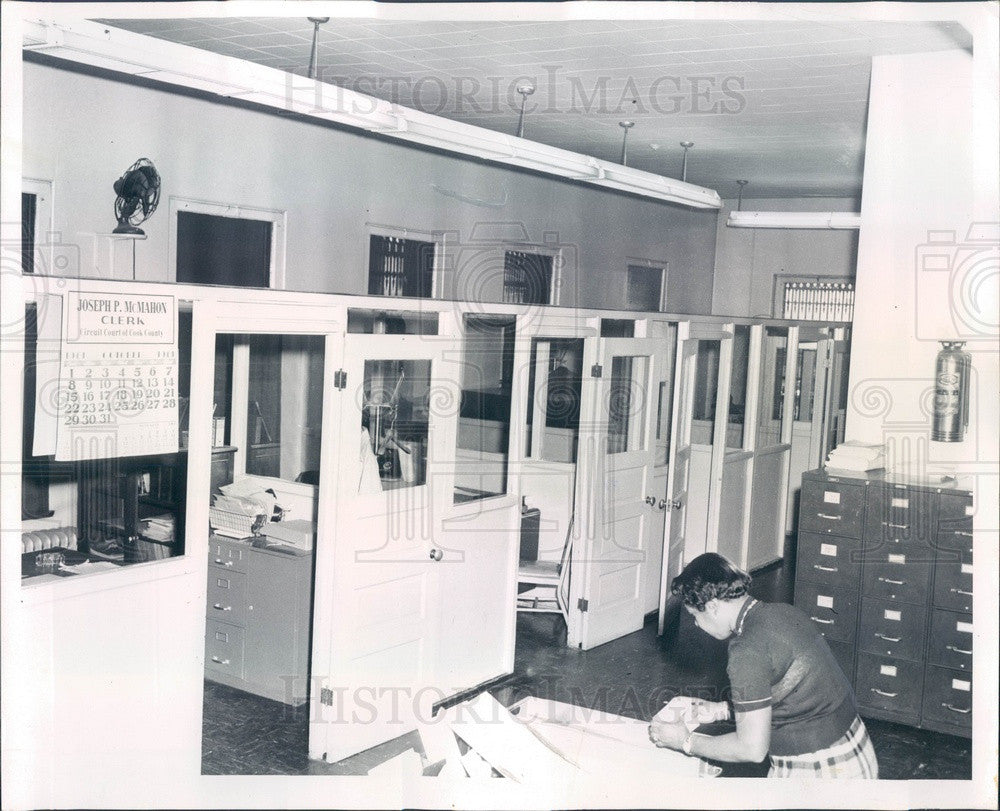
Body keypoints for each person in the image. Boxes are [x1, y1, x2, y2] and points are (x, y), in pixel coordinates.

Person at [649, 552, 878, 778]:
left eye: (694, 616)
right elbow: (788, 694)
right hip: (855, 750)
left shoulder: (745, 650)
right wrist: (721, 710)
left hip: (819, 769)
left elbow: (751, 749)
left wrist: (685, 741)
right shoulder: (783, 612)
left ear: (712, 607)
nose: (697, 625)